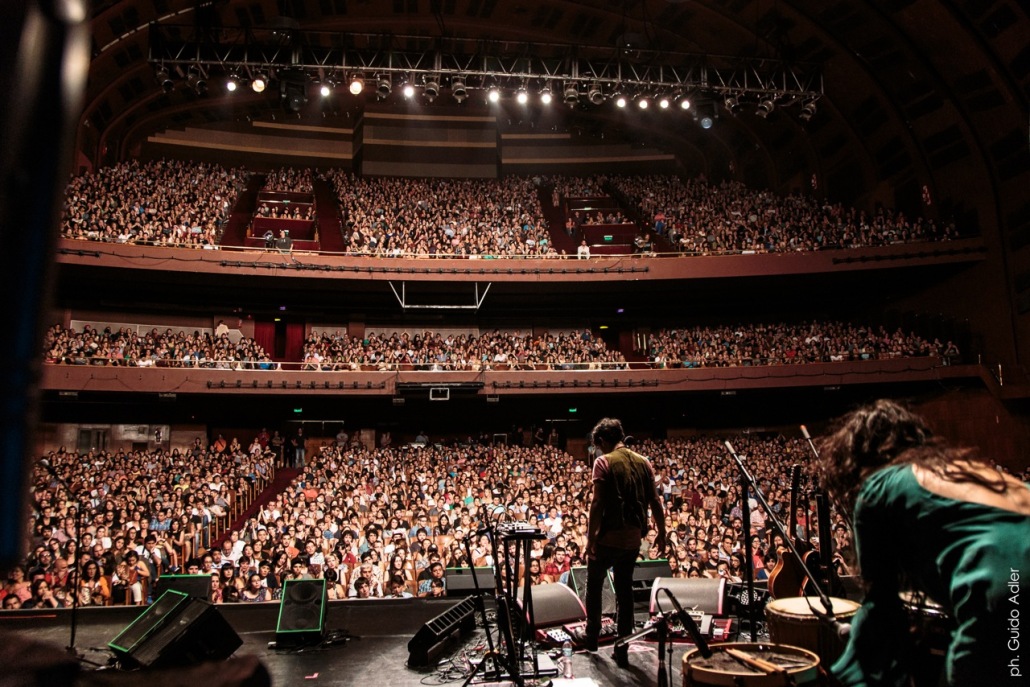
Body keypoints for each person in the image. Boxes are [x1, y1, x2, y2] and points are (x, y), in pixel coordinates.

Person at [818, 399, 1030, 687]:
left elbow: (880, 604)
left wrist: (855, 638)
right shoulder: (968, 470)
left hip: (1006, 590)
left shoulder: (880, 484)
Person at [584, 417, 666, 667]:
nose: (597, 449)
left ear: (602, 440)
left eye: (597, 444)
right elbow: (654, 501)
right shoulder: (644, 462)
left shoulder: (603, 461)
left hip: (609, 536)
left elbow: (597, 504)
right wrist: (662, 532)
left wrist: (591, 539)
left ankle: (592, 637)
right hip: (633, 538)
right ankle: (622, 645)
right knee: (625, 590)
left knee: (595, 584)